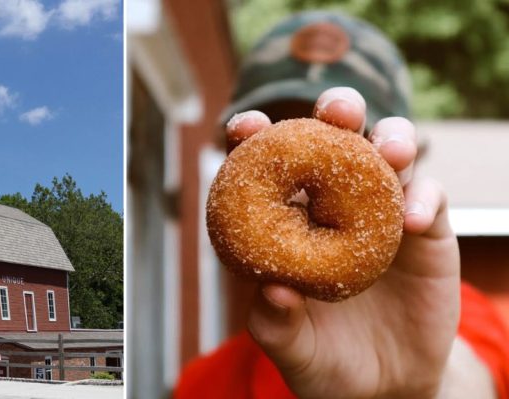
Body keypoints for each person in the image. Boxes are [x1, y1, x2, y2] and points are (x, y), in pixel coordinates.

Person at [175, 11, 509, 399]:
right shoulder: (202, 384)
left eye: (357, 136)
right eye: (282, 122)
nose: (304, 199)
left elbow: (479, 379)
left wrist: (425, 388)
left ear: (406, 164)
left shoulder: (464, 318)